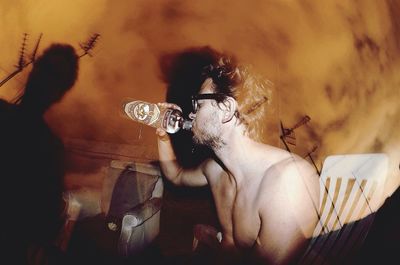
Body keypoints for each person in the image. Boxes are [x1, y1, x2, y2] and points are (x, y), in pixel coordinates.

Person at [156, 50, 320, 264]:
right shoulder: (215, 170)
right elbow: (175, 175)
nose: (191, 114)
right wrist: (162, 135)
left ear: (226, 109)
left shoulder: (289, 181)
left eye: (198, 103)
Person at [0, 43, 79, 265]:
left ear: (60, 92)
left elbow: (42, 221)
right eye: (44, 69)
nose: (44, 79)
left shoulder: (48, 148)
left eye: (54, 76)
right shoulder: (48, 146)